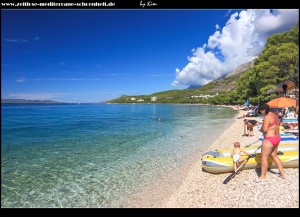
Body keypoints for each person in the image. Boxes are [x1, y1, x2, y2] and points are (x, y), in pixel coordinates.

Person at [256, 103, 285, 182]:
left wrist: (261, 129)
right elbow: (278, 125)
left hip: (269, 139)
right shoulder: (274, 115)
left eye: (261, 111)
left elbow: (265, 130)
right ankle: (282, 173)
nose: (261, 113)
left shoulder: (267, 116)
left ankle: (262, 177)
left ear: (264, 110)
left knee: (264, 158)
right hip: (277, 138)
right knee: (274, 155)